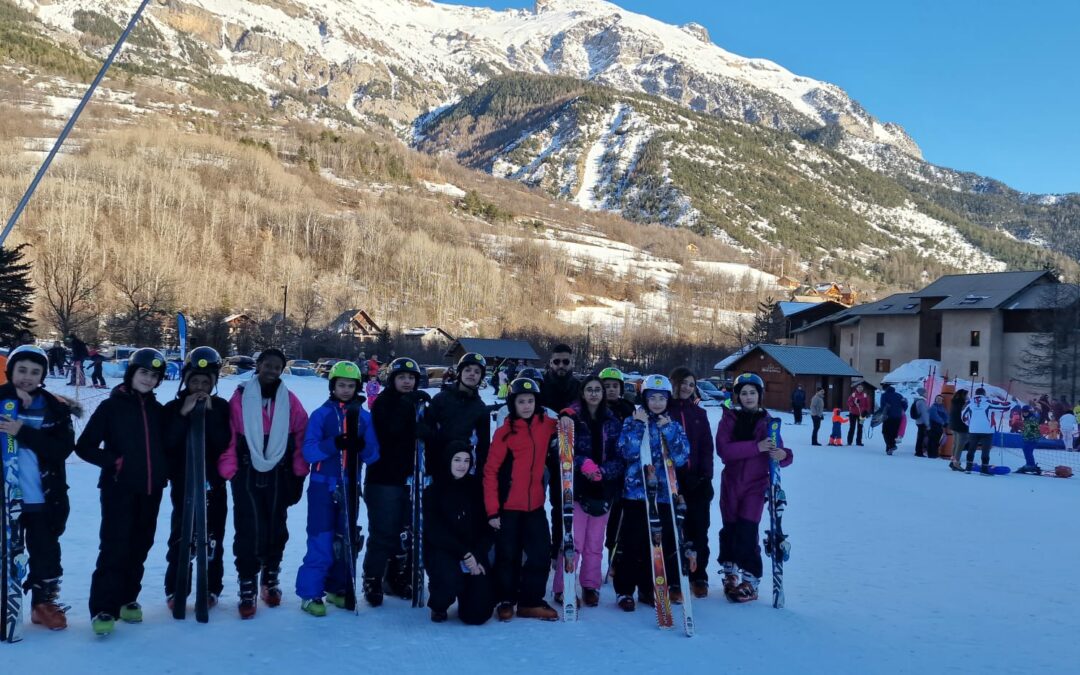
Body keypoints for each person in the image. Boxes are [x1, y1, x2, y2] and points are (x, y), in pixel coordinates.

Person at [76, 348, 169, 636]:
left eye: (154, 375)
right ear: (131, 373)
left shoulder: (158, 411)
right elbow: (84, 447)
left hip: (151, 490)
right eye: (143, 373)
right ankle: (104, 607)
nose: (148, 379)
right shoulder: (111, 407)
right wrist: (116, 462)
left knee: (140, 546)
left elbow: (170, 444)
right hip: (119, 490)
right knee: (115, 546)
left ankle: (128, 598)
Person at [218, 348, 309, 619]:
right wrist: (230, 469)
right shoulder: (240, 398)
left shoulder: (289, 401)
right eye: (267, 365)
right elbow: (229, 435)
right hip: (246, 469)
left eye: (277, 367)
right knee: (248, 526)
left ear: (282, 370)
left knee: (276, 524)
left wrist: (298, 472)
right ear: (258, 366)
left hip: (280, 470)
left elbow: (301, 434)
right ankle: (247, 584)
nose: (271, 370)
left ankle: (270, 577)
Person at [0, 345, 79, 631]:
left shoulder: (54, 408)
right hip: (5, 499)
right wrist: (7, 396)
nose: (27, 377)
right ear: (10, 371)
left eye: (35, 372)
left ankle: (43, 603)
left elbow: (61, 449)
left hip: (42, 497)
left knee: (45, 551)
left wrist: (23, 431)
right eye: (22, 370)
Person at [296, 361, 379, 616]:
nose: (346, 390)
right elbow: (309, 452)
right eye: (341, 385)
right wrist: (335, 443)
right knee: (321, 539)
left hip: (350, 485)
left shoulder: (364, 417)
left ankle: (336, 588)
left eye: (350, 385)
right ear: (332, 386)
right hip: (323, 486)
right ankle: (310, 594)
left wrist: (360, 444)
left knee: (345, 541)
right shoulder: (321, 415)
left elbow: (373, 455)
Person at [484, 377, 559, 621]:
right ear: (513, 404)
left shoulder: (546, 425)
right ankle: (506, 600)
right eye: (521, 401)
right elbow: (490, 472)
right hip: (508, 507)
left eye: (530, 401)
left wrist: (568, 413)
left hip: (535, 505)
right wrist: (492, 511)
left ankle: (530, 601)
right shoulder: (504, 433)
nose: (526, 406)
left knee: (540, 554)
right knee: (508, 555)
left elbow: (567, 417)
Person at [162, 347, 231, 612]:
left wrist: (210, 414)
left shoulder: (221, 407)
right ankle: (176, 586)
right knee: (181, 534)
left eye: (206, 382)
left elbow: (222, 442)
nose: (199, 387)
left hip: (214, 482)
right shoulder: (173, 407)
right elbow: (168, 442)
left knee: (214, 536)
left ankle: (212, 586)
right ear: (186, 381)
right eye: (195, 381)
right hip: (184, 483)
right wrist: (184, 414)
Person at [613, 374, 689, 612]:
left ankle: (649, 587)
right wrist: (637, 425)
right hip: (636, 493)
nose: (656, 402)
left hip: (663, 495)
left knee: (657, 544)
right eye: (652, 397)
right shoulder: (632, 420)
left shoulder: (673, 425)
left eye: (661, 398)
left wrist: (669, 431)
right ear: (644, 398)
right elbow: (626, 452)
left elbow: (681, 456)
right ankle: (625, 590)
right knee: (632, 543)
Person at [715, 373, 793, 603]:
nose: (748, 397)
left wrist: (783, 455)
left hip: (755, 486)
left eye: (752, 392)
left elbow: (782, 454)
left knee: (748, 531)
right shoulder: (729, 419)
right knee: (729, 529)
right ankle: (730, 572)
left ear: (760, 395)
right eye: (743, 393)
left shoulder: (769, 423)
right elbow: (724, 451)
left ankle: (751, 579)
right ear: (737, 396)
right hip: (730, 483)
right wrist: (756, 446)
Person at [551, 375, 624, 607]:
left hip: (603, 488)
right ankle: (564, 586)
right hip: (577, 487)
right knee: (574, 541)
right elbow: (560, 450)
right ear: (582, 393)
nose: (594, 393)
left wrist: (604, 471)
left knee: (595, 542)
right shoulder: (571, 418)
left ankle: (590, 585)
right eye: (589, 389)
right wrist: (582, 463)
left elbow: (620, 456)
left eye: (597, 390)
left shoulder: (612, 421)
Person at [364, 357, 428, 606]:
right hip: (383, 479)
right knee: (383, 532)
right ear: (392, 379)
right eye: (402, 377)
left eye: (411, 378)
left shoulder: (415, 404)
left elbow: (424, 433)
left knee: (405, 532)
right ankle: (372, 578)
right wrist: (408, 407)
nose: (407, 382)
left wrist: (426, 425)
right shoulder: (384, 403)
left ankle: (396, 577)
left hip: (409, 478)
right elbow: (390, 430)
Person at [424, 440, 495, 624]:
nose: (462, 465)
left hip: (473, 552)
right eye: (457, 460)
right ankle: (439, 604)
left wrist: (477, 555)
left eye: (466, 460)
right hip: (445, 551)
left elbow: (488, 528)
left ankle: (467, 593)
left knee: (477, 616)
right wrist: (464, 554)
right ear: (448, 460)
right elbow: (434, 531)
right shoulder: (434, 490)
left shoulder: (476, 488)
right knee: (449, 579)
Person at [666, 367, 714, 599]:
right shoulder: (664, 410)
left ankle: (699, 575)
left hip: (697, 480)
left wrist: (706, 477)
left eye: (691, 384)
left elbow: (706, 448)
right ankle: (674, 579)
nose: (686, 387)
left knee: (699, 529)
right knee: (674, 531)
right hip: (673, 480)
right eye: (682, 382)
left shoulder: (699, 414)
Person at [540, 344, 581, 563]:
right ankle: (537, 547)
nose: (561, 366)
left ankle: (557, 547)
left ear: (572, 362)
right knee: (533, 503)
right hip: (538, 450)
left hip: (566, 452)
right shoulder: (541, 383)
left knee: (561, 503)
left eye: (566, 361)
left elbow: (582, 407)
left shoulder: (577, 386)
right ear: (550, 363)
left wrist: (569, 412)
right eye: (557, 361)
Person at [598, 366, 635, 582]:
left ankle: (616, 558)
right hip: (604, 470)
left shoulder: (628, 408)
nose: (611, 390)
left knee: (620, 519)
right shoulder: (597, 408)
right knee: (602, 516)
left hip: (625, 472)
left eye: (615, 386)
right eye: (607, 386)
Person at [426, 352, 491, 471]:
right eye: (468, 370)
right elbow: (428, 432)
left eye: (477, 372)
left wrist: (480, 475)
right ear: (460, 373)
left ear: (481, 377)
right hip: (438, 465)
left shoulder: (481, 408)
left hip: (463, 468)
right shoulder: (440, 399)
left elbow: (483, 447)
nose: (472, 374)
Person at [961, 387, 1009, 475]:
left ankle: (968, 468)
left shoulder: (969, 403)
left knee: (971, 449)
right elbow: (1006, 406)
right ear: (984, 394)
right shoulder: (988, 402)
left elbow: (963, 415)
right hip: (987, 430)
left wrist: (969, 424)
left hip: (974, 430)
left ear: (976, 394)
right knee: (985, 450)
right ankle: (984, 470)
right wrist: (1006, 402)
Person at [878, 384, 907, 455]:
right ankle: (889, 449)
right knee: (894, 433)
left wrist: (881, 413)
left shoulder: (884, 395)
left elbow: (883, 406)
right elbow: (905, 405)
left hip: (888, 416)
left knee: (885, 432)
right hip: (898, 417)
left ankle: (891, 446)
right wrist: (900, 411)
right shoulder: (899, 395)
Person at [947, 389, 970, 472]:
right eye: (967, 395)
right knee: (959, 447)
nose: (968, 396)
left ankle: (952, 461)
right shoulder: (963, 404)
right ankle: (956, 464)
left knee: (955, 445)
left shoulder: (954, 402)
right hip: (961, 427)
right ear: (963, 395)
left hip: (954, 426)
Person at [1015, 406, 1042, 474]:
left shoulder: (1032, 419)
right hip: (1027, 438)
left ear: (1029, 412)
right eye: (1023, 412)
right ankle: (1030, 464)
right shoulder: (1027, 419)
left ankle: (1031, 465)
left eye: (1026, 412)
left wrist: (1027, 432)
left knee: (1027, 451)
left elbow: (1033, 428)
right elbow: (1027, 428)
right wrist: (1023, 431)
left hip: (1032, 438)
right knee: (1026, 450)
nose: (1024, 413)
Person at [927, 394, 948, 459]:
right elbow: (934, 416)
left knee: (937, 440)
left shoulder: (942, 408)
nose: (939, 400)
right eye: (938, 399)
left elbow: (946, 416)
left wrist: (947, 422)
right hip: (933, 425)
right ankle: (932, 454)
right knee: (933, 440)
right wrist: (943, 422)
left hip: (939, 426)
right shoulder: (933, 407)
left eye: (940, 399)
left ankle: (934, 453)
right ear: (935, 400)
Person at [912, 387, 930, 457]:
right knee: (921, 438)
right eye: (925, 392)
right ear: (922, 393)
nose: (927, 394)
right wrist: (928, 424)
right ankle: (919, 452)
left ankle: (918, 451)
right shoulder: (921, 402)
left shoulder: (917, 401)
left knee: (920, 437)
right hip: (922, 422)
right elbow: (924, 414)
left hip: (919, 421)